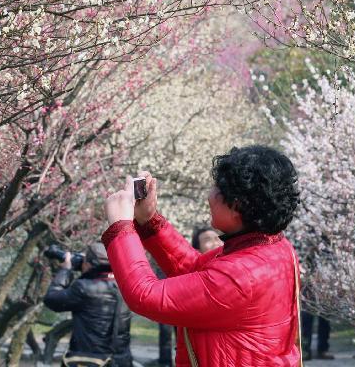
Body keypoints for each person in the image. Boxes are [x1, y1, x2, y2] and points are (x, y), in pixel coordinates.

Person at [101, 145, 303, 366]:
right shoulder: (272, 248)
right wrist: (149, 220)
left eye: (216, 189)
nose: (209, 196)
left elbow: (145, 295)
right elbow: (195, 270)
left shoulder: (241, 275)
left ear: (236, 205)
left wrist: (121, 228)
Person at [43, 242, 133, 367]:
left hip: (89, 361)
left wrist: (65, 270)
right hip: (120, 360)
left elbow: (51, 299)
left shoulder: (84, 288)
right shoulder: (126, 286)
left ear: (88, 264)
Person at [157, 226, 224, 366]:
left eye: (218, 239)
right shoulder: (189, 278)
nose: (215, 243)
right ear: (197, 249)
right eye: (207, 240)